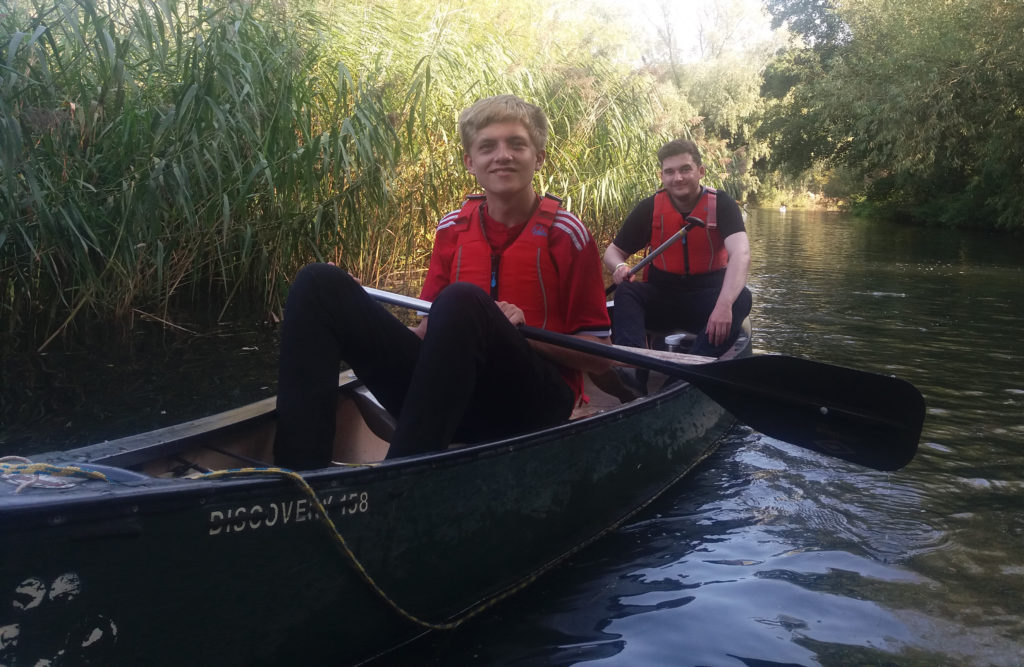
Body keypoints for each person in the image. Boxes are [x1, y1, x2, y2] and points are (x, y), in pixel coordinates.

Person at [273, 95, 612, 469]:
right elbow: (426, 334)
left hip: (534, 406)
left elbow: (598, 356)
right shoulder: (452, 228)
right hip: (453, 402)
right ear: (471, 162)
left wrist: (522, 333)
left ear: (539, 157)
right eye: (487, 147)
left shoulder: (567, 234)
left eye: (517, 144)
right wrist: (360, 306)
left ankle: (402, 476)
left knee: (462, 299)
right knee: (320, 281)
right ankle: (297, 476)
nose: (503, 155)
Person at [604, 139, 751, 368]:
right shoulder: (650, 207)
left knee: (742, 298)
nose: (678, 178)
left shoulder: (721, 204)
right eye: (669, 172)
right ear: (661, 176)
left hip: (706, 300)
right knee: (627, 291)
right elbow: (613, 252)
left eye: (685, 169)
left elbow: (741, 253)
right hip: (663, 296)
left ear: (700, 171)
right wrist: (620, 267)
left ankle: (691, 369)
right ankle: (632, 364)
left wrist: (724, 304)